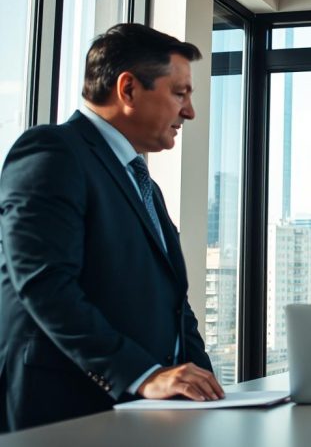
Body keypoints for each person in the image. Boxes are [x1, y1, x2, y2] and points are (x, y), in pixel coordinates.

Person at [0, 24, 224, 432]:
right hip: (60, 412)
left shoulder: (143, 184)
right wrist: (144, 374)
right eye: (180, 93)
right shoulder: (52, 151)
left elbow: (175, 303)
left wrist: (213, 396)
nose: (189, 112)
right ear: (128, 89)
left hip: (142, 413)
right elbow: (46, 285)